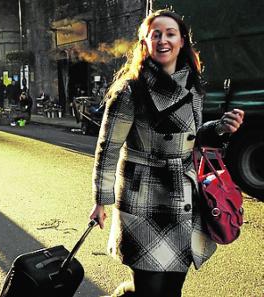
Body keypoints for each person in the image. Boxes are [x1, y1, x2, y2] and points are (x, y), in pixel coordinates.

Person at [88, 10, 245, 297]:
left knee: (172, 289)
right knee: (149, 289)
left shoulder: (193, 86)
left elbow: (194, 138)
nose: (163, 40)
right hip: (142, 202)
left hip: (183, 199)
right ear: (145, 42)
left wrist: (220, 127)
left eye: (170, 33)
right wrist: (101, 201)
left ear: (182, 41)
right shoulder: (129, 91)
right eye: (155, 34)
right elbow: (107, 149)